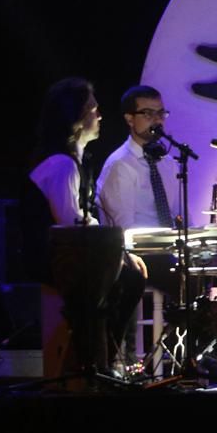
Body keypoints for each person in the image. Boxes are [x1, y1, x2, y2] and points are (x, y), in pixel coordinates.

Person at [96, 85, 217, 307]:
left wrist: (206, 240)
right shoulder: (120, 166)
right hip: (142, 256)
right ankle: (204, 321)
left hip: (175, 249)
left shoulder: (168, 163)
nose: (157, 120)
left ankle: (214, 322)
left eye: (161, 113)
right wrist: (168, 242)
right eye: (148, 114)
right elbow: (124, 232)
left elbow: (182, 217)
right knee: (187, 275)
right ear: (130, 119)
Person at [23, 77, 145, 375]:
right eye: (92, 108)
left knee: (129, 272)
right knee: (128, 277)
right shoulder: (61, 164)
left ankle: (110, 358)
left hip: (69, 253)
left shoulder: (73, 161)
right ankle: (108, 361)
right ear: (75, 118)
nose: (100, 115)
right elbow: (70, 223)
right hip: (54, 257)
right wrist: (119, 253)